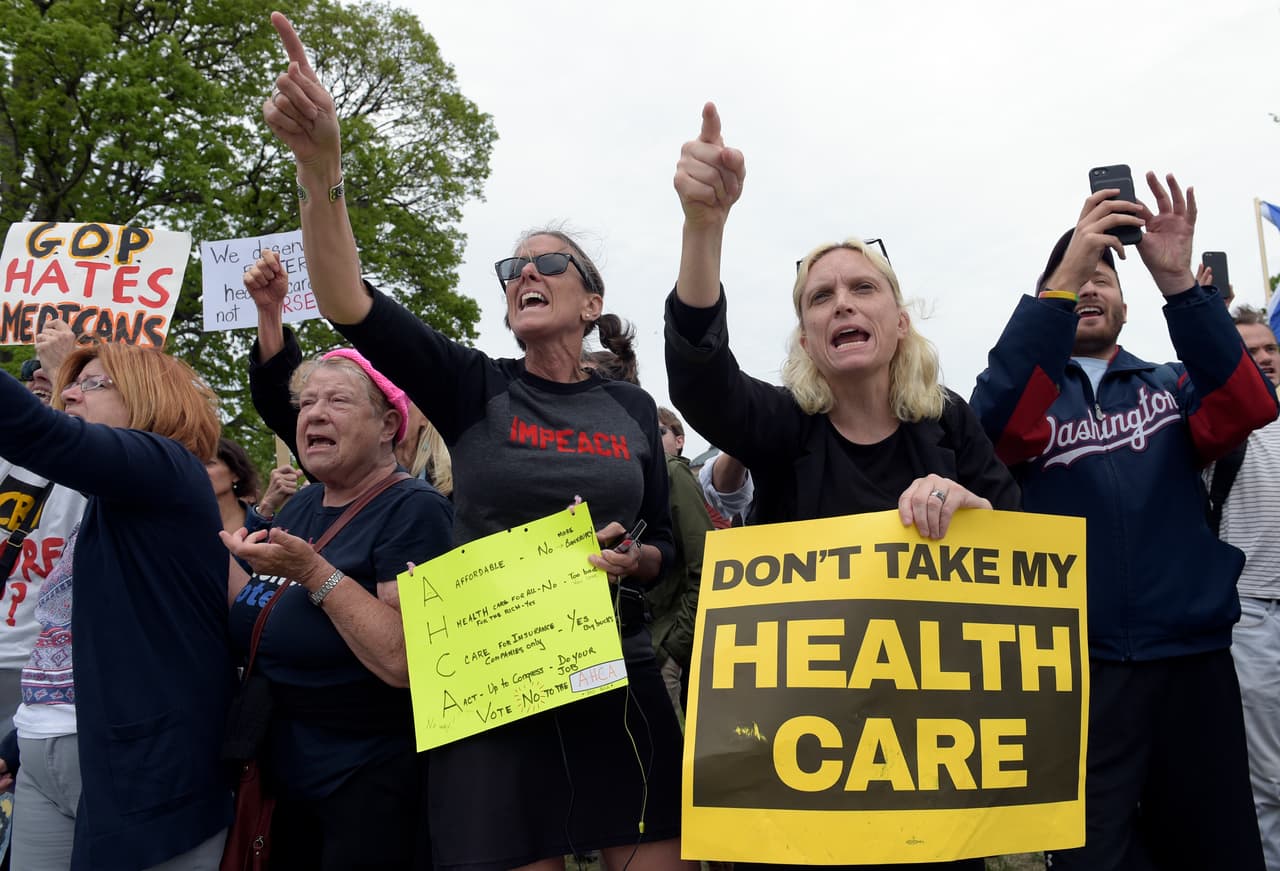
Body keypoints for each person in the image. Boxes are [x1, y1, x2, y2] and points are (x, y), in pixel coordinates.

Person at [260, 13, 690, 871]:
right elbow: (347, 299)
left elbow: (666, 543)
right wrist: (320, 167)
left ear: (592, 301)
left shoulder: (634, 411)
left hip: (615, 660)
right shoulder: (475, 386)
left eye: (548, 263)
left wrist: (633, 560)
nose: (523, 272)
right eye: (511, 267)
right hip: (496, 667)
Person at [665, 103, 1018, 871]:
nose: (842, 303)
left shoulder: (949, 422)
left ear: (899, 321)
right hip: (808, 760)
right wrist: (704, 228)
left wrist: (976, 509)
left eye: (862, 288)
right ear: (807, 338)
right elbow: (701, 381)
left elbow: (1019, 541)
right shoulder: (786, 427)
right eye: (820, 297)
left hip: (931, 756)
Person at [969, 175, 1278, 870]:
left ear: (1126, 299)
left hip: (1192, 660)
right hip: (1080, 671)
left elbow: (1249, 403)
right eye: (1076, 271)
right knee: (1093, 855)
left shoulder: (1170, 383)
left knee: (1218, 849)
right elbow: (989, 427)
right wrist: (1065, 273)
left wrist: (1181, 286)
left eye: (1104, 273)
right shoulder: (1029, 402)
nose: (1089, 286)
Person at [225, 262, 455, 871]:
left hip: (369, 782)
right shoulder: (300, 503)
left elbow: (406, 661)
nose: (313, 414)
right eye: (307, 403)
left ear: (387, 426)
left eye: (337, 401)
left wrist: (314, 572)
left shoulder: (414, 509)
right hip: (284, 770)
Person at [0, 341, 234, 871]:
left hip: (140, 769)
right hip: (45, 753)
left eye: (94, 384)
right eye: (69, 387)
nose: (71, 394)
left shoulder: (167, 466)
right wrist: (21, 738)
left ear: (148, 397)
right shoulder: (106, 504)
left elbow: (37, 433)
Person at [1204, 304, 1280, 870]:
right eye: (1248, 353)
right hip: (1251, 611)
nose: (1264, 359)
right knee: (1270, 776)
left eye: (1270, 349)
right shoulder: (1220, 427)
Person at [650, 407, 714, 716]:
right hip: (631, 646)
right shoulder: (639, 475)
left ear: (679, 440)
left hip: (661, 641)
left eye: (660, 431)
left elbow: (706, 563)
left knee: (672, 754)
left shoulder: (674, 473)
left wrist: (674, 647)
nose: (651, 436)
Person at [208, 437, 261, 536]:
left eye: (209, 463)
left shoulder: (266, 527)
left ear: (235, 474)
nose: (199, 470)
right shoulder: (183, 527)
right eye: (196, 464)